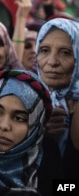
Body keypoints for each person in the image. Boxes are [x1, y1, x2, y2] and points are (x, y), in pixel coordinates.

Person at [34, 17, 79, 177]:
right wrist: (37, 133)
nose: (52, 62)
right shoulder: (27, 98)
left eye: (66, 52)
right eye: (44, 50)